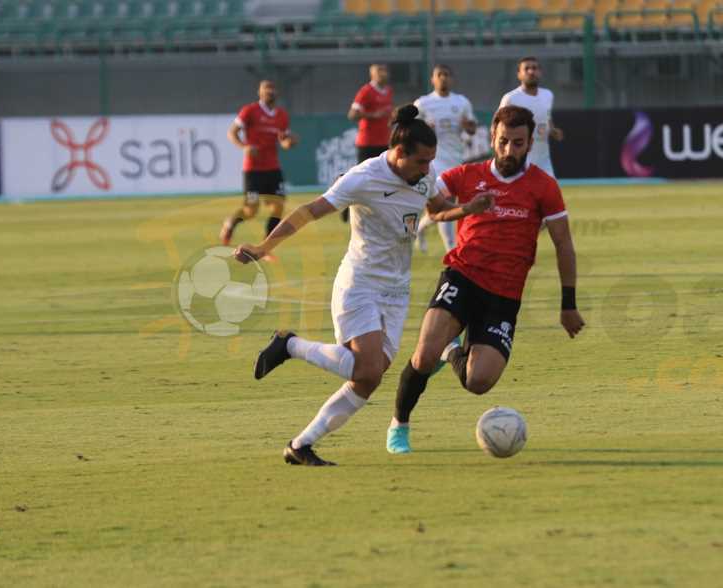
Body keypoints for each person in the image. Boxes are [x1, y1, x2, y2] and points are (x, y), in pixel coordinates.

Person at [232, 105, 493, 466]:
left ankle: (300, 445)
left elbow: (437, 210)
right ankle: (289, 345)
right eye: (422, 161)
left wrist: (467, 209)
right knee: (367, 370)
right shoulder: (363, 178)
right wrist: (263, 248)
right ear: (399, 153)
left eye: (431, 160)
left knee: (368, 380)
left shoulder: (423, 176)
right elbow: (308, 211)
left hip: (396, 291)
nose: (429, 168)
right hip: (361, 283)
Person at [385, 105, 585, 455]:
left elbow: (563, 244)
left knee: (478, 382)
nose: (510, 150)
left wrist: (568, 304)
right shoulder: (466, 174)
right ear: (492, 136)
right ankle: (399, 425)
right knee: (423, 355)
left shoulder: (543, 186)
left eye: (518, 143)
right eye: (504, 141)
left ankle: (453, 353)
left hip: (504, 296)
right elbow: (426, 190)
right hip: (462, 276)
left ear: (530, 141)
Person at [220, 79, 298, 247]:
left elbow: (283, 141)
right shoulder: (250, 111)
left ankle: (265, 246)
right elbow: (232, 132)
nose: (270, 91)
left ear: (276, 92)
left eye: (272, 89)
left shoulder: (282, 116)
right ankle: (230, 224)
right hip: (253, 169)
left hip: (273, 168)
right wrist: (244, 147)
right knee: (251, 211)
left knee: (278, 206)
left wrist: (289, 143)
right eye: (266, 88)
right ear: (260, 92)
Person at [413, 64, 477, 254]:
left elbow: (472, 129)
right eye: (439, 75)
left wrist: (468, 125)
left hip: (455, 159)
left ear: (452, 79)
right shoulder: (423, 103)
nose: (443, 78)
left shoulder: (462, 102)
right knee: (443, 201)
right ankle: (451, 247)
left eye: (446, 75)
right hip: (432, 162)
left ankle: (420, 229)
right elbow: (410, 130)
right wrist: (424, 129)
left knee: (443, 205)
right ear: (432, 79)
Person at [342, 63, 394, 223]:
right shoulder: (366, 91)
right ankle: (346, 208)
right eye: (379, 71)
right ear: (372, 75)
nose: (382, 74)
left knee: (387, 177)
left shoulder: (388, 91)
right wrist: (373, 115)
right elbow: (352, 114)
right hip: (367, 143)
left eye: (384, 70)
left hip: (384, 142)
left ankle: (381, 210)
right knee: (361, 178)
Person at [498, 56, 564, 178]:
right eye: (526, 68)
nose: (531, 71)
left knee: (550, 195)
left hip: (543, 159)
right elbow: (497, 126)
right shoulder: (511, 98)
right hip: (520, 160)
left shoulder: (547, 95)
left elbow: (547, 118)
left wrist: (553, 130)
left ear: (540, 72)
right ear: (519, 74)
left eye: (535, 68)